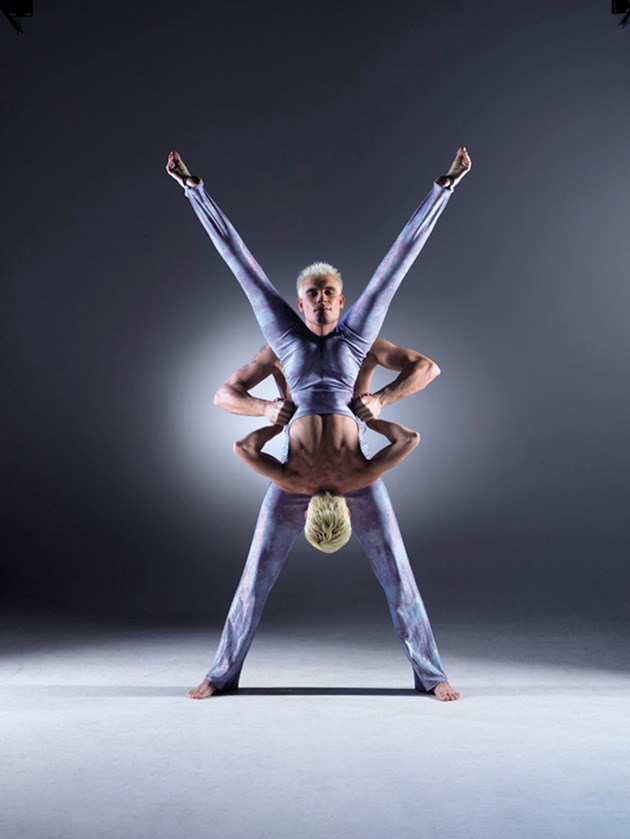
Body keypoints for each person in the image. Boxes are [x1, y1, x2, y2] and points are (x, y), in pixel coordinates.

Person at [166, 148, 471, 700]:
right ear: (301, 304)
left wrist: (381, 399)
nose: (323, 300)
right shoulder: (281, 343)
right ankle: (221, 673)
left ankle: (432, 674)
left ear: (341, 300)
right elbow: (222, 390)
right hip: (293, 481)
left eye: (330, 293)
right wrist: (263, 409)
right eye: (313, 294)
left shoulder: (362, 339)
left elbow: (418, 336)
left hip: (359, 478)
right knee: (254, 580)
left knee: (400, 578)